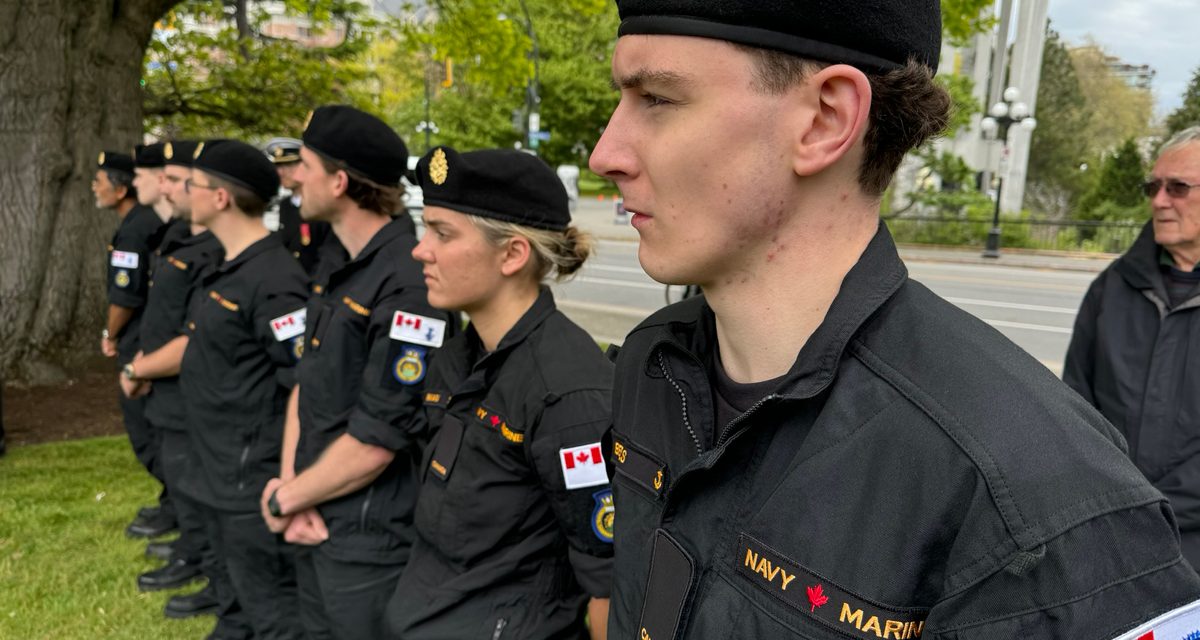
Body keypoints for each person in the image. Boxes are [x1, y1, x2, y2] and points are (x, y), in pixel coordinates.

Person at [587, 1, 1200, 638]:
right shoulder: (652, 363)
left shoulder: (1040, 503)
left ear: (825, 120)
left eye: (656, 98)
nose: (607, 152)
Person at [383, 146, 612, 640]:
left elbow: (607, 584)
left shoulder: (566, 392)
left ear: (512, 254)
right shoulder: (460, 355)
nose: (421, 250)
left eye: (442, 233)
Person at [256, 105, 452, 640]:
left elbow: (379, 437)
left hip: (368, 538)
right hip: (316, 509)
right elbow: (307, 380)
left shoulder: (407, 282)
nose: (294, 177)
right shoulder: (340, 258)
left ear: (339, 182)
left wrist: (284, 499)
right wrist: (296, 490)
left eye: (306, 166)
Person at [180, 139, 309, 639]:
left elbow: (301, 381)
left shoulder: (275, 278)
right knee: (238, 596)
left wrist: (287, 479)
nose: (184, 192)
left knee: (273, 608)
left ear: (220, 198)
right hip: (215, 467)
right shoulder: (228, 264)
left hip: (249, 476)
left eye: (193, 184)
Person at [1065, 125, 1200, 570]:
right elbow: (1074, 407)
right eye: (1154, 186)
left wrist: (1153, 510)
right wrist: (1112, 500)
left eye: (1178, 187)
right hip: (1108, 532)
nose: (1159, 201)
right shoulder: (1112, 287)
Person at [121, 140, 241, 627]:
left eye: (179, 178)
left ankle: (212, 577)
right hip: (169, 390)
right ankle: (199, 559)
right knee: (183, 482)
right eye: (169, 178)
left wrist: (142, 368)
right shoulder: (177, 236)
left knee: (198, 488)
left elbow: (196, 335)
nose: (172, 187)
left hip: (187, 389)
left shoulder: (212, 249)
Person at [92, 150, 171, 539]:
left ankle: (177, 503)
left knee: (145, 428)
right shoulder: (144, 222)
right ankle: (174, 500)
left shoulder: (135, 229)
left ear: (121, 189)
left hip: (140, 337)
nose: (95, 186)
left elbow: (125, 296)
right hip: (150, 333)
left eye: (100, 180)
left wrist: (111, 335)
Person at [263, 136, 343, 276]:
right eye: (278, 166)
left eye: (288, 166)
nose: (280, 172)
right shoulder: (285, 205)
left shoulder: (322, 205)